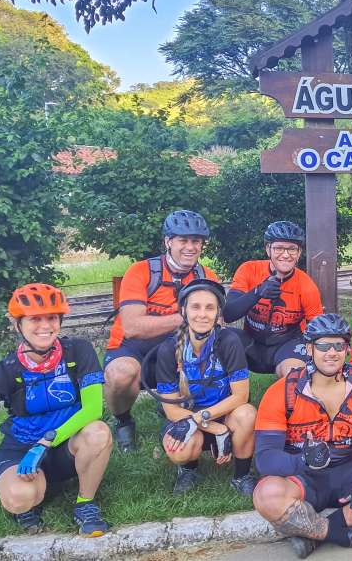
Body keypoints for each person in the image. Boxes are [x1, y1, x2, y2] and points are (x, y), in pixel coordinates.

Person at [252, 314, 352, 559]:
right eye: (323, 346)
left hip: (347, 470)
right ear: (309, 349)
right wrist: (302, 460)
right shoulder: (282, 391)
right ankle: (342, 535)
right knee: (266, 495)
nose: (332, 353)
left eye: (338, 345)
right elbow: (264, 458)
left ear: (347, 350)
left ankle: (317, 534)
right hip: (302, 477)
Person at [0, 284, 112, 536]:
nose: (45, 326)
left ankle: (85, 503)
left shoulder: (78, 350)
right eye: (34, 319)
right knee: (20, 498)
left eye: (52, 317)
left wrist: (46, 442)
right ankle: (31, 498)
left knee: (98, 432)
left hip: (65, 444)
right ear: (17, 324)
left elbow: (93, 409)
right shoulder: (3, 371)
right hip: (21, 449)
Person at [104, 209, 218, 452]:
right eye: (183, 240)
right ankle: (123, 420)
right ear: (168, 241)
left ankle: (175, 413)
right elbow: (133, 327)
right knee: (121, 374)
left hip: (178, 348)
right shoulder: (142, 271)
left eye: (196, 241)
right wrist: (186, 317)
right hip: (132, 347)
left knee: (205, 363)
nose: (190, 247)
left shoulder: (207, 276)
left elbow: (215, 322)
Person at [152, 279, 257, 496]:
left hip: (225, 414)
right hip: (186, 418)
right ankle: (188, 470)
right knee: (180, 450)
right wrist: (214, 428)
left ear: (219, 313)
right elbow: (171, 410)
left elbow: (241, 396)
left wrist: (210, 419)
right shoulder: (168, 349)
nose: (202, 314)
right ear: (183, 310)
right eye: (195, 307)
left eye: (210, 308)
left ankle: (242, 476)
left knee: (247, 415)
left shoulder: (229, 341)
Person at [224, 221, 323, 377]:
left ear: (299, 253)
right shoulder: (249, 270)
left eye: (292, 249)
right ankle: (235, 396)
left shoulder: (307, 285)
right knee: (220, 336)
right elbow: (228, 314)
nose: (286, 254)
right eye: (279, 248)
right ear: (268, 249)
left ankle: (292, 390)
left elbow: (318, 330)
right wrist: (257, 292)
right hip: (251, 344)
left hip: (287, 346)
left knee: (294, 374)